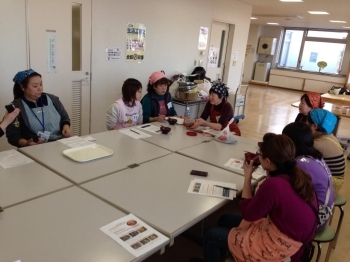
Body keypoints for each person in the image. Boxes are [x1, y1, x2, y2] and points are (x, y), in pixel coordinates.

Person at [201, 135, 317, 262]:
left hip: (283, 248)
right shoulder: (297, 174)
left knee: (210, 235)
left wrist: (248, 177)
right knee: (225, 219)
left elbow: (248, 214)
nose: (257, 157)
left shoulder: (274, 185)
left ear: (267, 162)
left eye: (259, 155)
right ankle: (226, 253)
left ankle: (226, 250)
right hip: (293, 237)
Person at [282, 122, 335, 231]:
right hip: (323, 214)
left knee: (273, 198)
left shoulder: (299, 164)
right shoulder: (314, 156)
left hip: (314, 222)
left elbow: (282, 189)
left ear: (292, 143)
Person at [6, 69, 71, 147]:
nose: (40, 88)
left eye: (41, 84)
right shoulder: (16, 107)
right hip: (34, 148)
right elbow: (13, 135)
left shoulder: (52, 99)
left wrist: (66, 127)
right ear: (23, 87)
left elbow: (65, 117)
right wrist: (26, 143)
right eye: (35, 86)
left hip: (59, 142)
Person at [307, 108, 345, 194]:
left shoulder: (318, 144)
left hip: (329, 188)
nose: (305, 125)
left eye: (307, 123)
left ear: (314, 126)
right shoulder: (330, 135)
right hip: (334, 182)